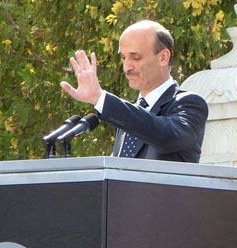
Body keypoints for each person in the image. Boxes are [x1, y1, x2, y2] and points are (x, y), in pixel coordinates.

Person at [60, 20, 208, 162]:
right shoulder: (130, 115)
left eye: (135, 58)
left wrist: (100, 99)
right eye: (124, 58)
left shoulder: (189, 104)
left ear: (163, 57)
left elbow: (164, 135)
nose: (127, 68)